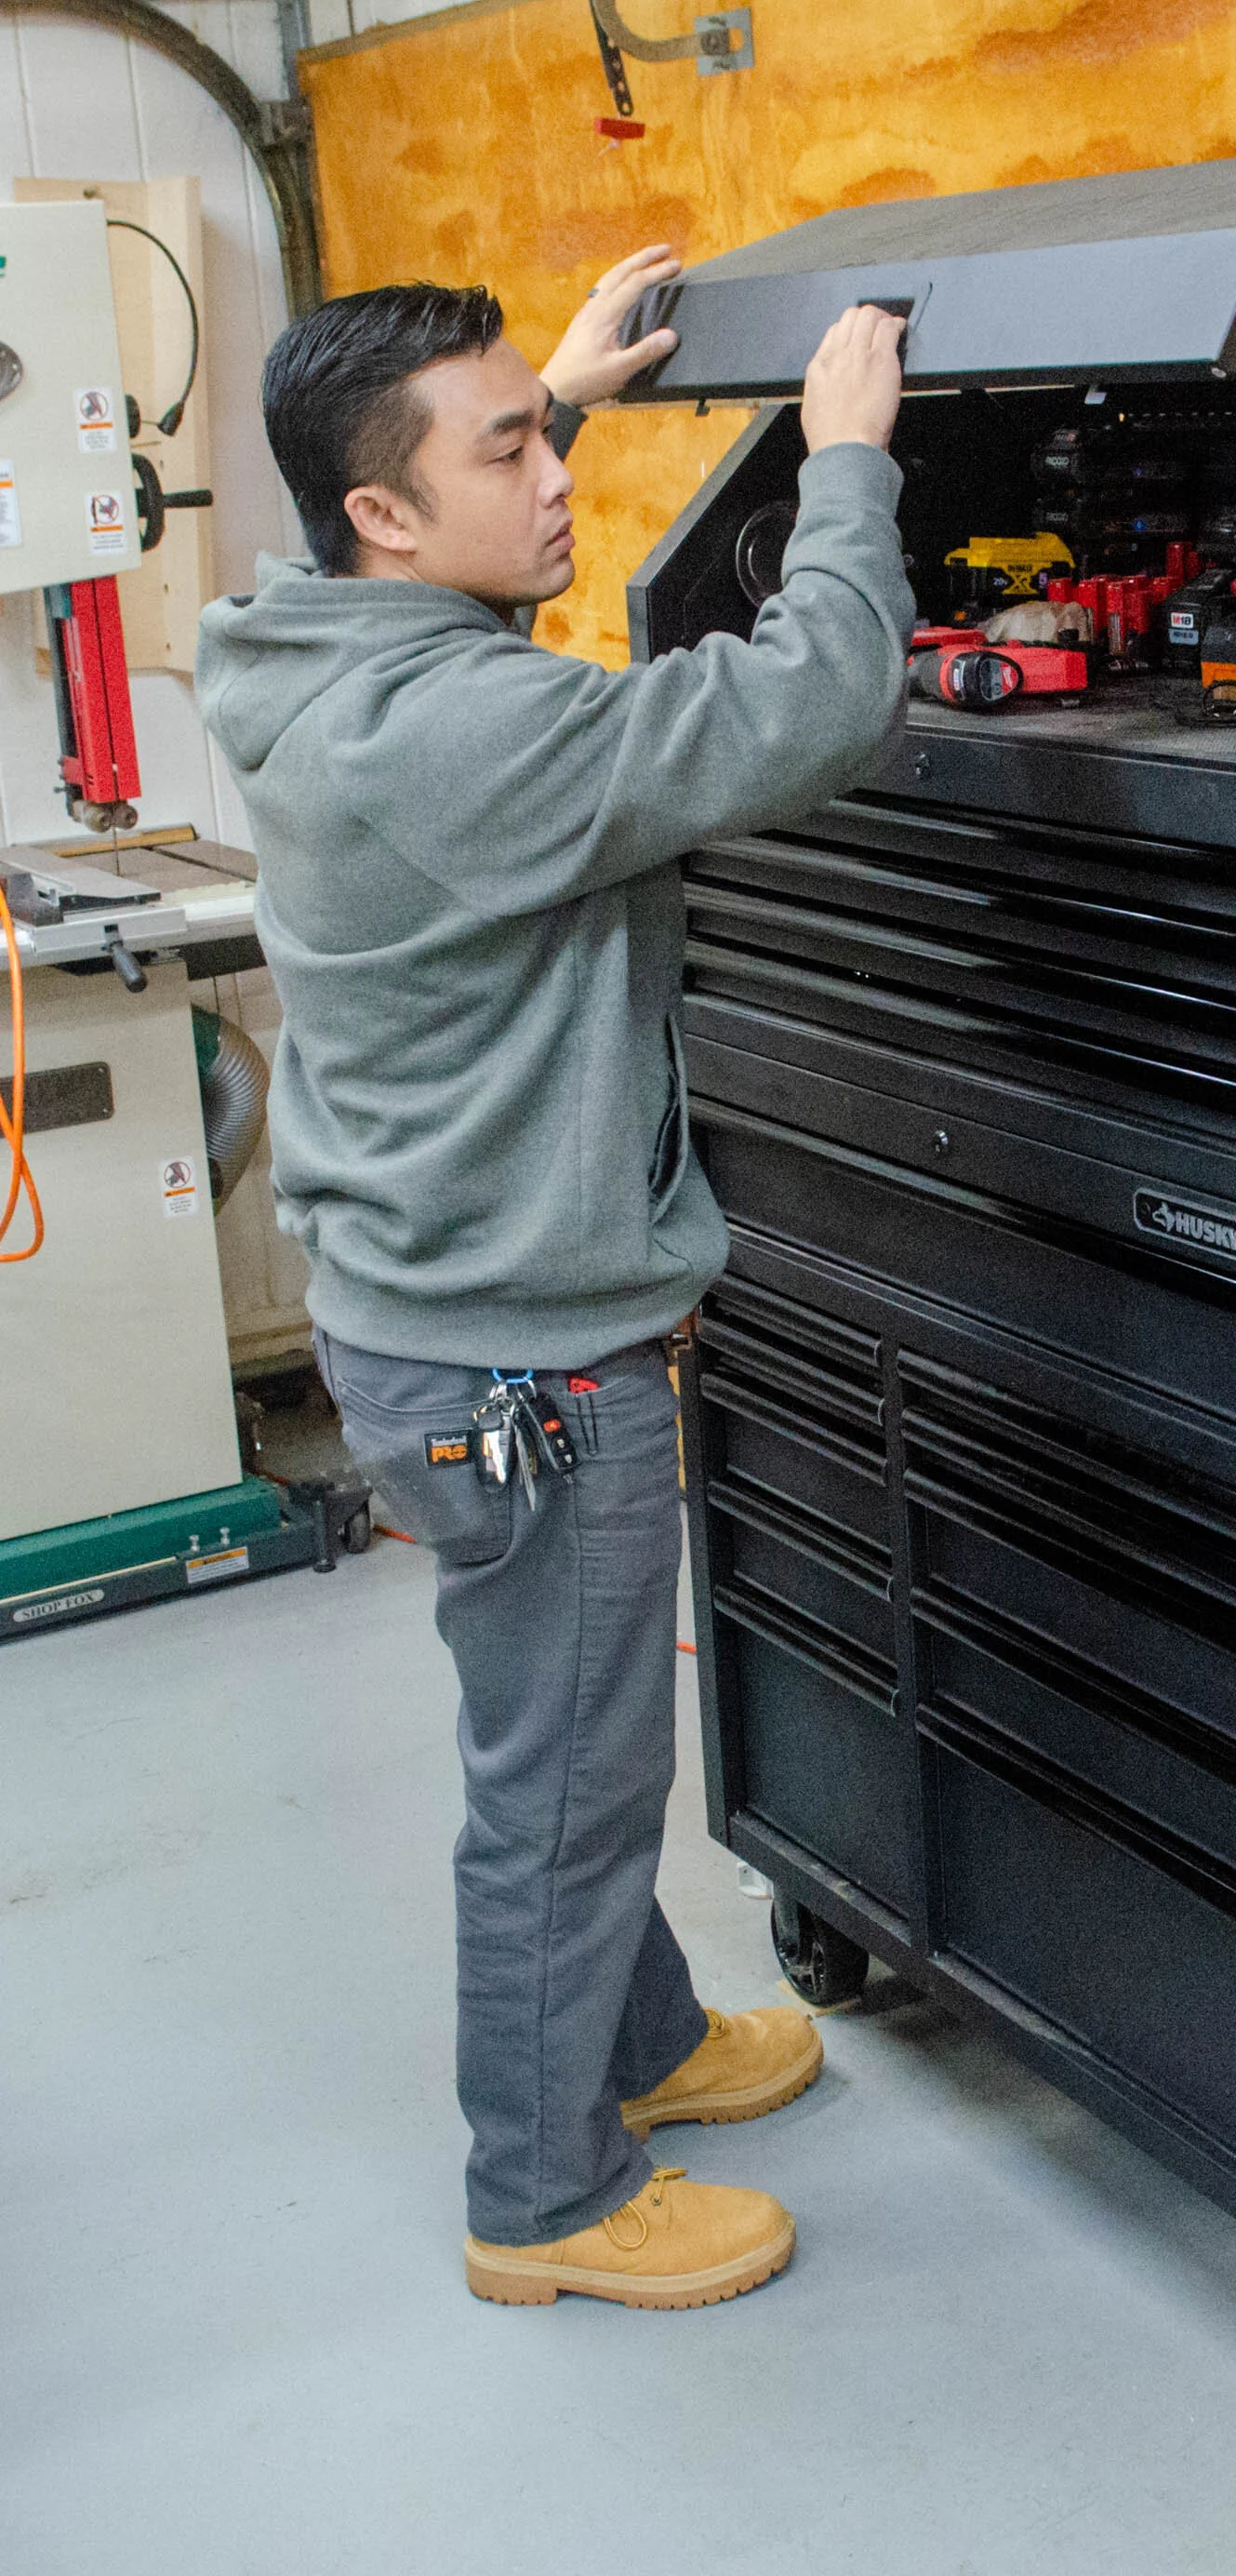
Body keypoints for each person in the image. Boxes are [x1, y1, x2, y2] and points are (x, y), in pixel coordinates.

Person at [198, 248, 914, 2311]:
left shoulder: (301, 644)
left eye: (542, 428)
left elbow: (448, 587)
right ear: (386, 515)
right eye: (507, 448)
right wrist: (845, 465)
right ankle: (546, 2192)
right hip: (522, 1351)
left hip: (424, 1303)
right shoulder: (465, 732)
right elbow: (804, 703)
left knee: (558, 1728)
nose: (553, 475)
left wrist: (567, 394)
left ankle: (646, 2042)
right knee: (570, 1780)